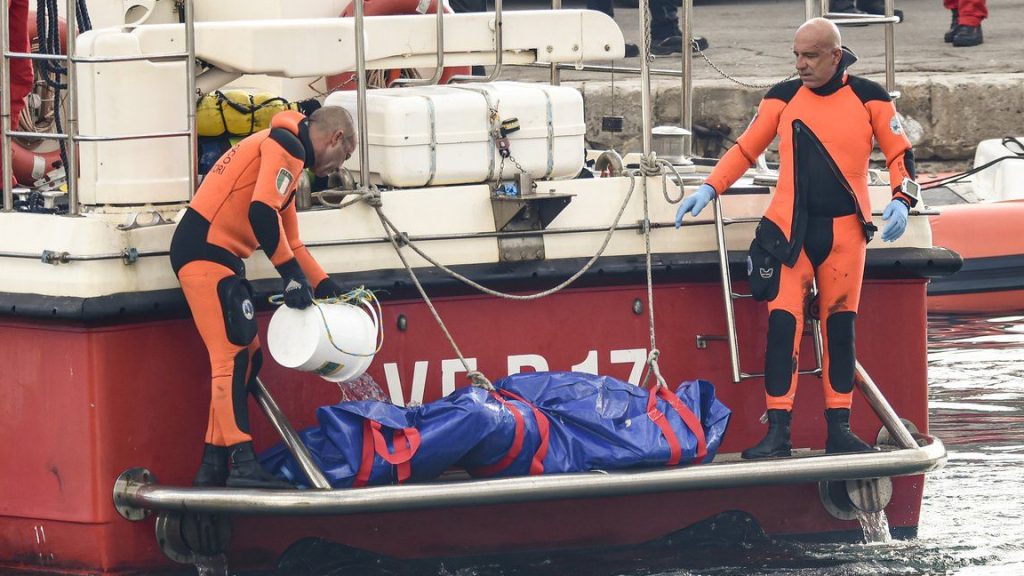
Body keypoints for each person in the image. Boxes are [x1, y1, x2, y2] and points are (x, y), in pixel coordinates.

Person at [674, 18, 920, 459]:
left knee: (840, 328)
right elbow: (746, 149)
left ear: (835, 55)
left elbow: (900, 153)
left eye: (809, 56)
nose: (800, 64)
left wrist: (902, 199)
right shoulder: (782, 97)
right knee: (782, 327)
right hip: (789, 233)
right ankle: (778, 432)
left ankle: (839, 430)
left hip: (845, 234)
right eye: (795, 55)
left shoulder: (870, 98)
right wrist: (710, 187)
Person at [170, 106, 355, 487]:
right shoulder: (285, 146)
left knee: (247, 358)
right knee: (232, 357)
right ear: (335, 138)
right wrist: (289, 276)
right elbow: (260, 213)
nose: (338, 168)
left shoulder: (288, 155)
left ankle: (214, 462)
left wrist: (323, 284)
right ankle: (242, 463)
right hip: (205, 251)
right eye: (344, 157)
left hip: (217, 255)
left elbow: (293, 239)